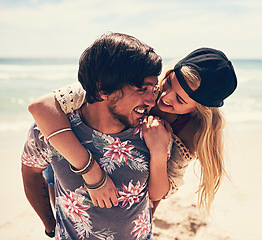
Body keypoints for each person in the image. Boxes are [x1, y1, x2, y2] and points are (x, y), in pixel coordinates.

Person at [28, 46, 238, 214]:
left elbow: (157, 195)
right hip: (71, 152)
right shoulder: (140, 84)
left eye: (180, 100)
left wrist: (158, 151)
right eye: (168, 83)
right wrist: (90, 171)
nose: (164, 97)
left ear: (200, 109)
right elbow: (43, 107)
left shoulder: (191, 131)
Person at [21, 32, 168, 239]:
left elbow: (156, 194)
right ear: (102, 89)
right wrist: (50, 225)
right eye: (142, 89)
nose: (152, 100)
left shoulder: (151, 132)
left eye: (153, 89)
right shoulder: (51, 130)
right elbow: (31, 173)